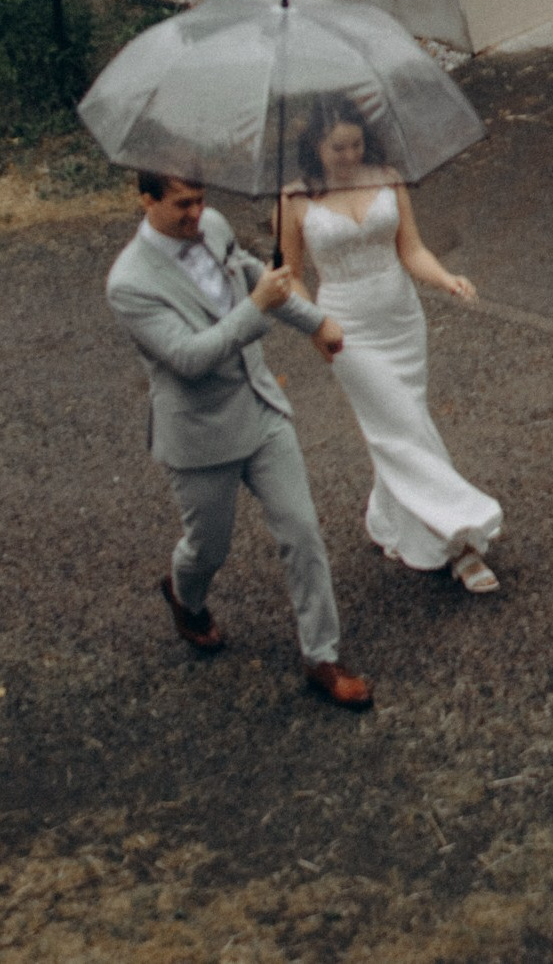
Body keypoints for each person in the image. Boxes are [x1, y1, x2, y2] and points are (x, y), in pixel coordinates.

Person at [106, 170, 374, 709]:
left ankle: (322, 656)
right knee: (209, 547)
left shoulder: (214, 225)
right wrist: (255, 307)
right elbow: (188, 358)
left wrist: (315, 321)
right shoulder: (129, 283)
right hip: (200, 434)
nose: (196, 214)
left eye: (202, 200)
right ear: (146, 200)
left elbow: (253, 274)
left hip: (261, 410)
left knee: (302, 531)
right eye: (182, 204)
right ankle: (185, 594)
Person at [279, 96, 504, 592]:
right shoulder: (294, 197)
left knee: (404, 423)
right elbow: (290, 277)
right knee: (401, 427)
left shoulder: (386, 177)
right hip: (346, 327)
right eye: (338, 147)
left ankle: (389, 520)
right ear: (316, 146)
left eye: (356, 144)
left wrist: (445, 278)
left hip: (401, 317)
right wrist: (316, 324)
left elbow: (412, 249)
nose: (349, 154)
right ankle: (462, 540)